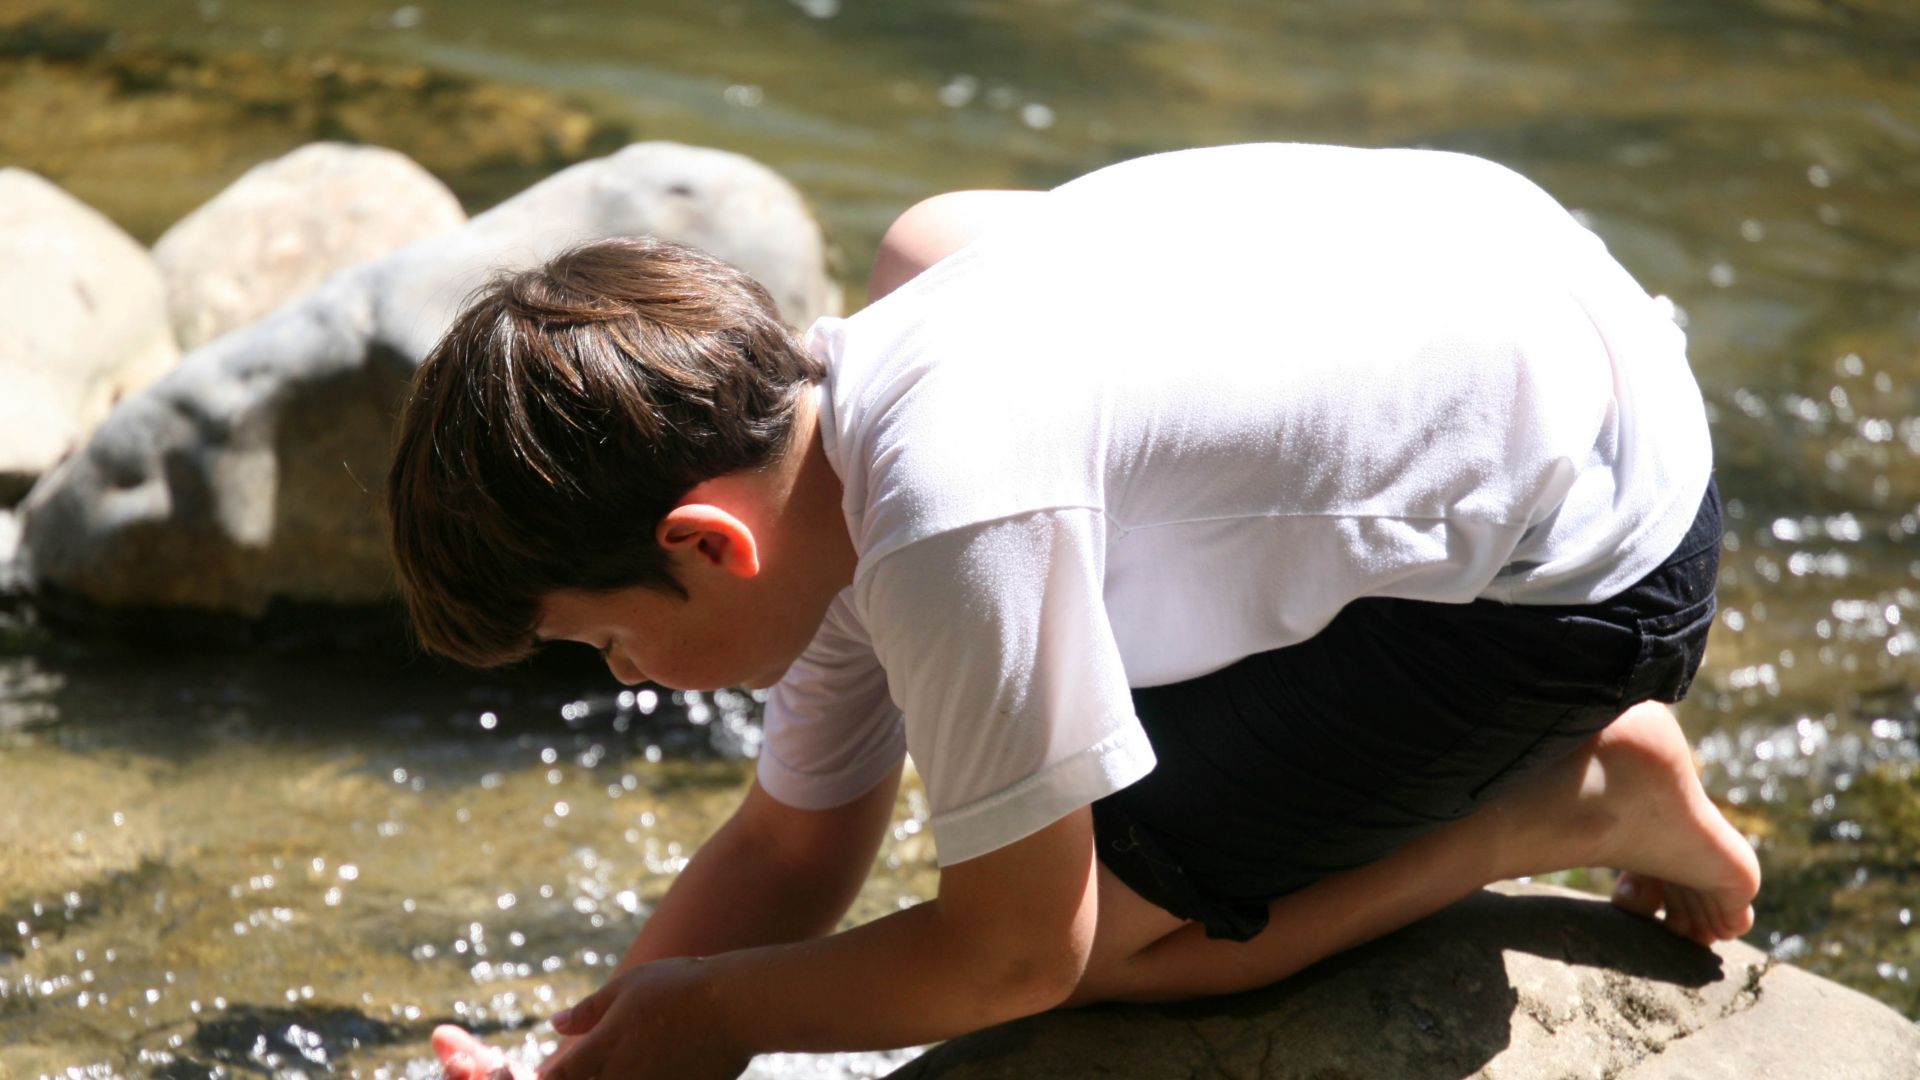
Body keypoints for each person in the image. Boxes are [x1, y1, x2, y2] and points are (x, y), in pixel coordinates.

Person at [388, 143, 1762, 1080]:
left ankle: (1570, 801)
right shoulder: (831, 431)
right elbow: (789, 851)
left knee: (1106, 938)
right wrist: (589, 1050)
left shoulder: (947, 506)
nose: (630, 676)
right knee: (936, 239)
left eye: (604, 640)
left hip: (1600, 553)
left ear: (705, 543)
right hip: (1523, 293)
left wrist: (729, 1011)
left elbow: (1013, 960)